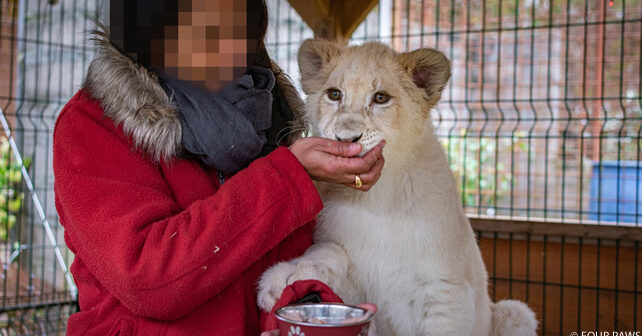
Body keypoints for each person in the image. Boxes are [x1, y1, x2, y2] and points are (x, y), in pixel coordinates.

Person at [53, 0, 384, 335]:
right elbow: (148, 278)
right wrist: (287, 177)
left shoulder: (268, 119)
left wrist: (309, 313)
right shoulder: (94, 124)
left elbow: (282, 268)